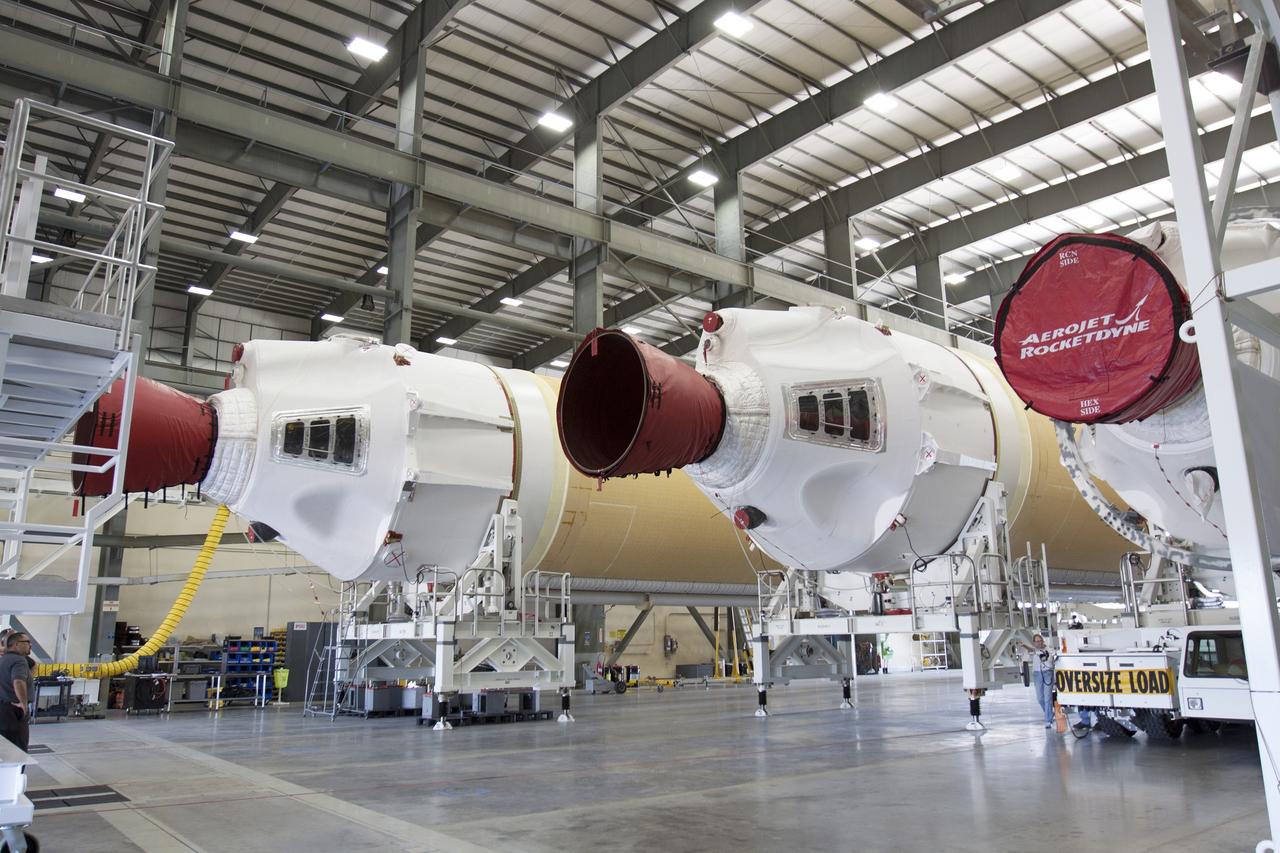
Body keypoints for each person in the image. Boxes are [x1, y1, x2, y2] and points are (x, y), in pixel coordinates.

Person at [0, 632, 33, 751]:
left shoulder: (4, 659)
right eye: (27, 642)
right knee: (18, 750)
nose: (30, 645)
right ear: (16, 644)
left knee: (5, 749)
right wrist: (23, 703)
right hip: (13, 712)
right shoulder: (19, 660)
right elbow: (18, 682)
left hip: (3, 710)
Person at [1022, 634, 1056, 728]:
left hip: (1047, 673)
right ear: (1034, 643)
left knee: (1047, 698)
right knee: (1040, 698)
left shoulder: (1049, 649)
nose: (1039, 642)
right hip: (1037, 674)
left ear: (1043, 641)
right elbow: (1031, 650)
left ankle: (1048, 720)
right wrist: (1025, 646)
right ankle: (1049, 713)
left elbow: (1053, 657)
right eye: (1037, 641)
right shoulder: (1034, 651)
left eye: (1040, 640)